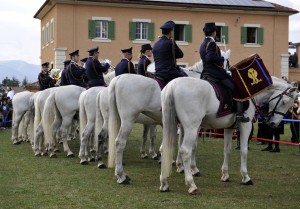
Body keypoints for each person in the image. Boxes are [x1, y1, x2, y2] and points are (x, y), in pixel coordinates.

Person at [199, 22, 249, 123]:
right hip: (215, 73)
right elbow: (210, 58)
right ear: (214, 32)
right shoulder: (211, 43)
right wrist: (223, 57)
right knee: (237, 87)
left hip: (206, 73)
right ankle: (239, 114)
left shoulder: (203, 43)